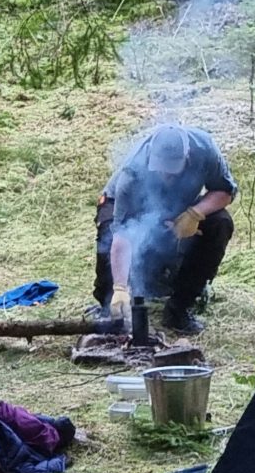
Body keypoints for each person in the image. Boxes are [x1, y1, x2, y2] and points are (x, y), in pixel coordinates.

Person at [87, 124, 236, 337]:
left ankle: (178, 309)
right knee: (108, 235)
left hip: (181, 206)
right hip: (128, 205)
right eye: (162, 168)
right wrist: (120, 287)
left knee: (220, 223)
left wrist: (194, 214)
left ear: (187, 156)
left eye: (173, 168)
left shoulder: (205, 150)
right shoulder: (132, 172)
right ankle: (109, 305)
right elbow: (122, 235)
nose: (167, 175)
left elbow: (226, 191)